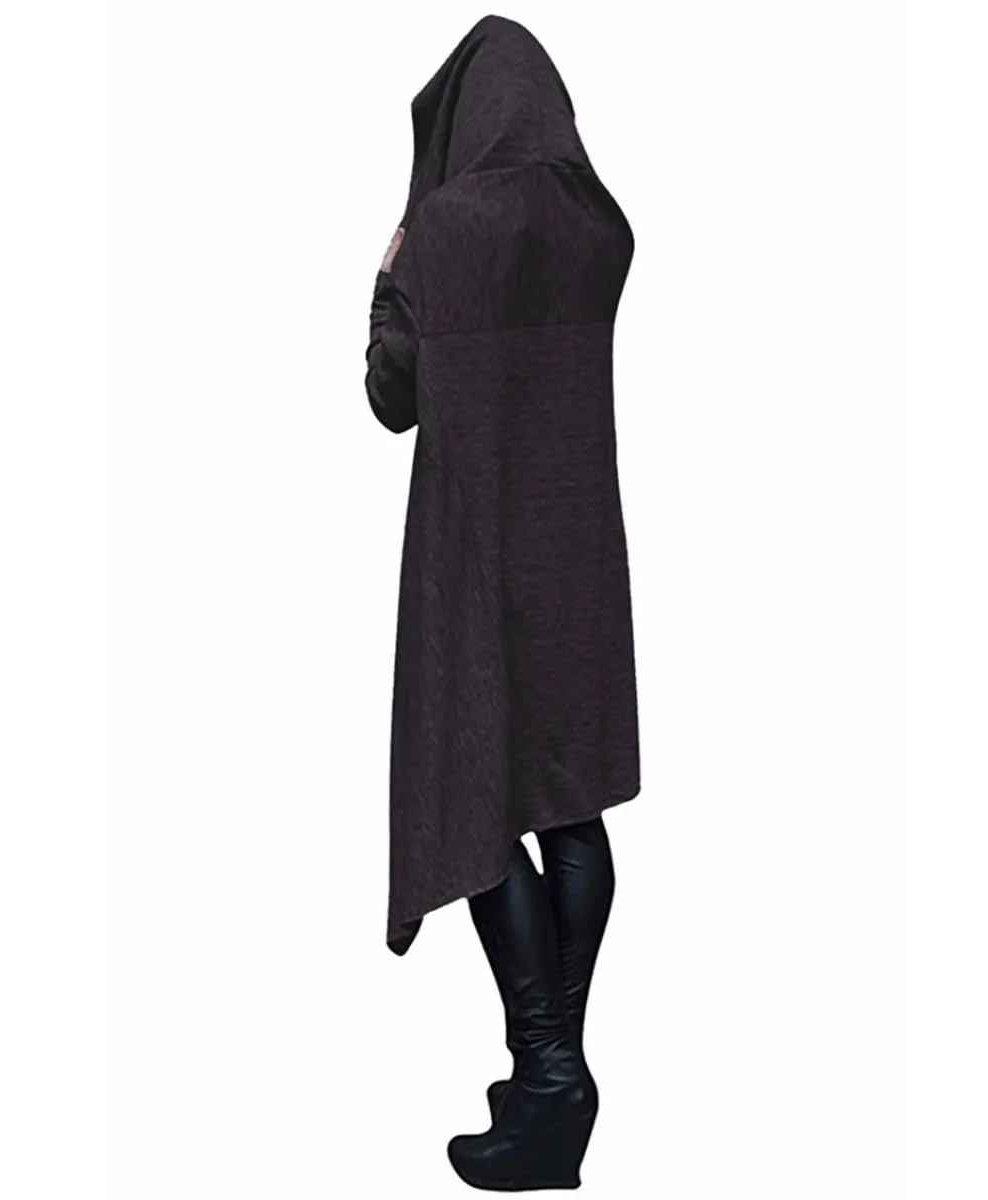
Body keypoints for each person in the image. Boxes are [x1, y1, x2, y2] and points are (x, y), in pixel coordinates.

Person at [364, 15, 639, 1190]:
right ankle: (554, 1081)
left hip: (473, 551)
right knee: (569, 804)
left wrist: (391, 269)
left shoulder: (445, 229)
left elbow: (392, 399)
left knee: (470, 802)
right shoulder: (603, 228)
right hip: (575, 551)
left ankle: (549, 1079)